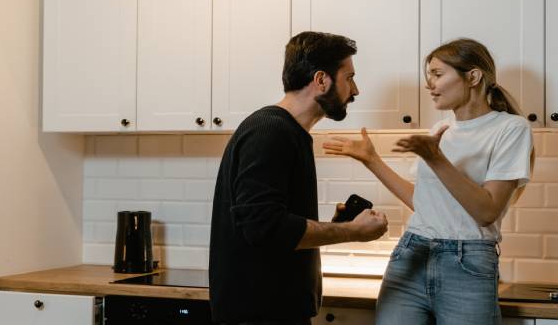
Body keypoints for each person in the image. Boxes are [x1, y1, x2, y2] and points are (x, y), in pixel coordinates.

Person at [323, 38, 534, 324]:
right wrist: (371, 160)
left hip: (467, 263)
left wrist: (436, 158)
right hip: (412, 253)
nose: (429, 84)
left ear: (472, 76)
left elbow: (487, 211)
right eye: (428, 76)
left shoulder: (510, 129)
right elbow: (422, 202)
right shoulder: (441, 129)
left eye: (437, 74)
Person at [209, 31, 389, 325]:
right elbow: (263, 227)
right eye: (349, 77)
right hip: (262, 316)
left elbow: (273, 226)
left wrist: (335, 227)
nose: (355, 90)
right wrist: (353, 232)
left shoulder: (287, 132)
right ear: (321, 80)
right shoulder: (271, 132)